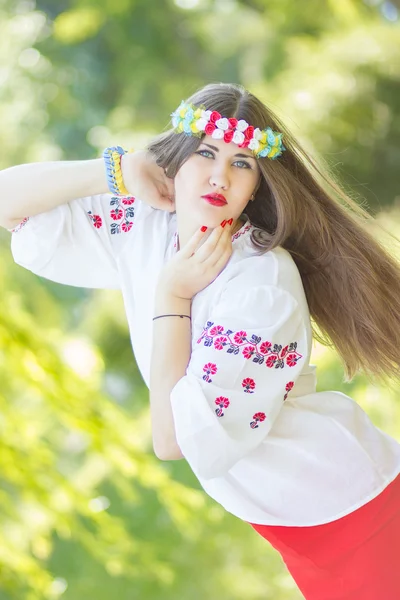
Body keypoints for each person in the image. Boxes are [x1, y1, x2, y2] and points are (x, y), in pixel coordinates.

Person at [1, 81, 400, 599]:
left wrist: (173, 296)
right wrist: (113, 171)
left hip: (356, 513)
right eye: (206, 154)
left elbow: (171, 440)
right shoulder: (144, 226)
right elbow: (11, 206)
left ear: (257, 185)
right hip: (301, 522)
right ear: (175, 160)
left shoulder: (261, 286)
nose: (219, 175)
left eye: (242, 163)